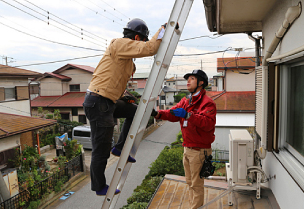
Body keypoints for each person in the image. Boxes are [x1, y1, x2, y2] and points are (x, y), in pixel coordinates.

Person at [83, 18, 165, 196]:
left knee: (136, 111)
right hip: (98, 102)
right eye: (141, 41)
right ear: (136, 37)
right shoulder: (120, 44)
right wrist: (164, 29)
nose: (140, 46)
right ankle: (99, 187)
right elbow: (150, 48)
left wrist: (127, 97)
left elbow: (116, 81)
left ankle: (119, 148)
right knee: (101, 149)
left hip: (108, 100)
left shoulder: (128, 61)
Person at [152, 69, 216, 209]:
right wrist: (157, 114)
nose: (188, 81)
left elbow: (208, 123)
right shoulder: (187, 100)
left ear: (201, 83)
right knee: (189, 182)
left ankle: (195, 207)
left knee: (196, 184)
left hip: (199, 151)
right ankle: (194, 205)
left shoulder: (207, 103)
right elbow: (173, 113)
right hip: (187, 148)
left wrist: (188, 115)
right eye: (188, 79)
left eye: (192, 79)